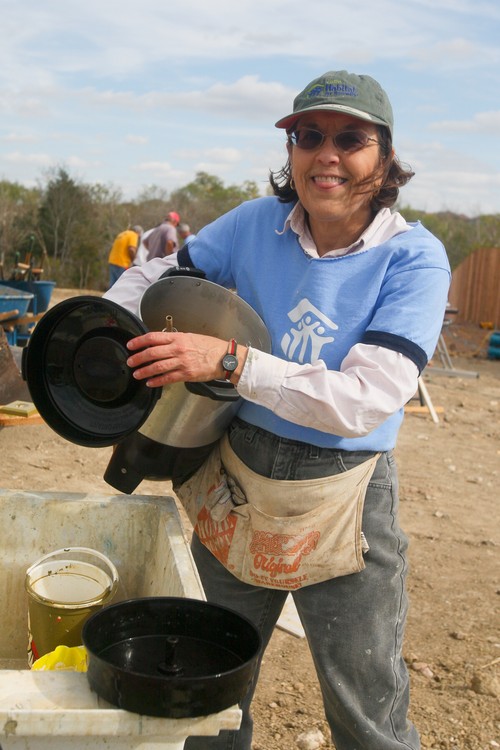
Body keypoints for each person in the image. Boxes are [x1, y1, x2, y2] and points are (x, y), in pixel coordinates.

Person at [104, 69, 451, 749]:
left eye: (350, 139)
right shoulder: (257, 224)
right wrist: (108, 325)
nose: (327, 153)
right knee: (207, 690)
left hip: (344, 495)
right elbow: (160, 272)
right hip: (240, 474)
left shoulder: (414, 258)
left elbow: (365, 401)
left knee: (366, 710)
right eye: (308, 136)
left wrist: (231, 361)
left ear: (384, 160)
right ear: (290, 151)